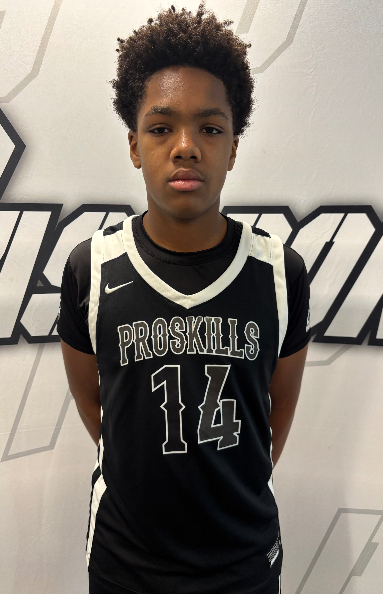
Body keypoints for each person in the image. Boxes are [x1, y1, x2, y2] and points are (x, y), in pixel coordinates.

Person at [58, 3, 311, 594]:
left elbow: (277, 410)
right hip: (127, 564)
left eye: (211, 128)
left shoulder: (279, 271)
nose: (186, 147)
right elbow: (97, 404)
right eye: (161, 127)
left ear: (234, 146)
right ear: (133, 144)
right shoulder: (90, 267)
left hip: (242, 562)